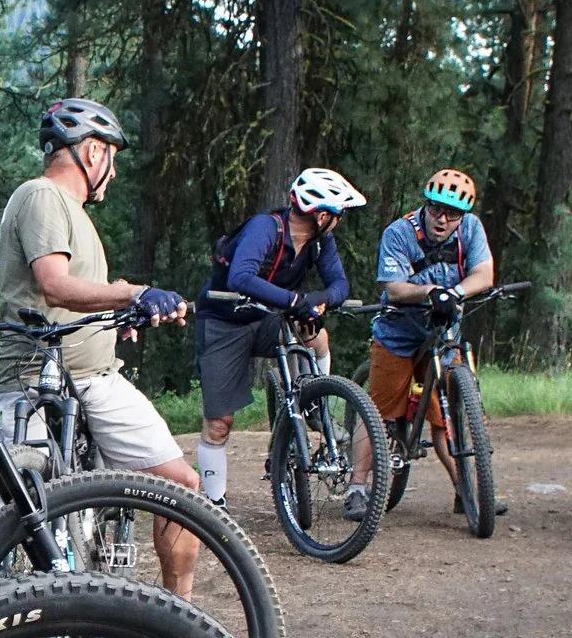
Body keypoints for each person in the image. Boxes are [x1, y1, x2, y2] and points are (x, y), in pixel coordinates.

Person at [0, 98, 201, 591]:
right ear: (91, 152)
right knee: (3, 518)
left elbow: (74, 298)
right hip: (37, 382)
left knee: (181, 483)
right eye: (113, 155)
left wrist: (114, 318)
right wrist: (133, 293)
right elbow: (54, 286)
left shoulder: (71, 211)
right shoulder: (43, 196)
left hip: (94, 378)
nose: (115, 170)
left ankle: (179, 615)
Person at [193, 167, 364, 507]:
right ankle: (214, 505)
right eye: (339, 214)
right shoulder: (265, 228)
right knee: (219, 423)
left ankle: (315, 403)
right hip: (225, 321)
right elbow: (241, 277)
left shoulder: (320, 241)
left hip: (270, 317)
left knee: (316, 337)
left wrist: (319, 301)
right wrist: (296, 301)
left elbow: (340, 285)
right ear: (321, 215)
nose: (339, 221)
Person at [351, 167, 498, 516]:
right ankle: (356, 488)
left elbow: (485, 273)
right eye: (436, 209)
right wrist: (430, 291)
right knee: (377, 412)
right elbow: (394, 287)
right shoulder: (400, 232)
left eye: (452, 214)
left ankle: (467, 491)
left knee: (449, 416)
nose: (442, 219)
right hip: (398, 334)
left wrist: (455, 293)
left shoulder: (471, 229)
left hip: (443, 335)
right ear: (426, 206)